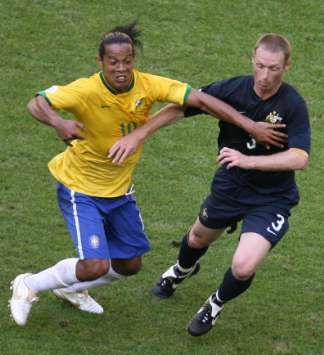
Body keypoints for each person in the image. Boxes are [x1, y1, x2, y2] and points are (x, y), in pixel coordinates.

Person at [9, 23, 287, 327]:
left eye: (127, 61)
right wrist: (57, 122)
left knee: (130, 264)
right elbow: (36, 102)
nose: (121, 68)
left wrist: (250, 126)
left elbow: (202, 100)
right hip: (81, 188)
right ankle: (29, 284)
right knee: (96, 264)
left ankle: (72, 289)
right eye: (113, 62)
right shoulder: (85, 89)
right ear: (100, 62)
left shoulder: (147, 85)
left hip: (119, 190)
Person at [108, 33, 310, 337]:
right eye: (261, 66)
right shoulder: (232, 89)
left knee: (243, 266)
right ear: (252, 59)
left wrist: (247, 160)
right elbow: (179, 106)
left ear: (287, 66)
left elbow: (299, 158)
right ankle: (181, 270)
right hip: (230, 187)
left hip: (272, 198)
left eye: (274, 69)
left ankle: (214, 305)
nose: (265, 76)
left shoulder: (292, 104)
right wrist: (139, 135)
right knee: (198, 237)